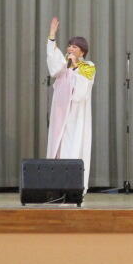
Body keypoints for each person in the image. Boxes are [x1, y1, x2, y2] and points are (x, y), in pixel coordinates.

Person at [46, 17, 96, 192]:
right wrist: (52, 35)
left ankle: (72, 186)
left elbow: (82, 92)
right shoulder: (63, 66)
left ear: (82, 51)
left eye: (74, 47)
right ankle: (56, 186)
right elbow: (53, 64)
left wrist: (75, 67)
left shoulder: (88, 66)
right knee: (58, 147)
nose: (70, 49)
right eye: (69, 46)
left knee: (72, 146)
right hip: (60, 114)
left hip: (76, 115)